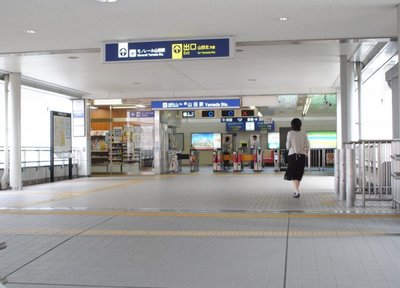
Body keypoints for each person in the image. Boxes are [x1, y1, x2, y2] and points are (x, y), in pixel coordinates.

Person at [284, 118, 309, 198]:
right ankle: (296, 190)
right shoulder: (304, 133)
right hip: (302, 156)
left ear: (292, 125)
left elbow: (288, 147)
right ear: (300, 125)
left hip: (293, 156)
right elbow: (307, 145)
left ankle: (297, 192)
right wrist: (306, 152)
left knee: (293, 175)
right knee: (298, 174)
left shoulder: (290, 133)